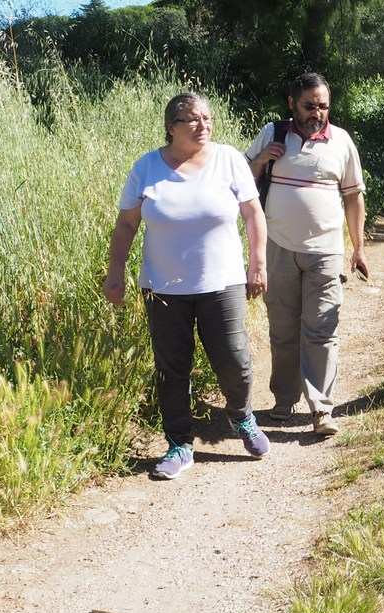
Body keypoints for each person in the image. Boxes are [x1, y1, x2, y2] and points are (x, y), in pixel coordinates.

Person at [103, 92, 270, 479]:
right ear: (171, 127)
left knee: (234, 358)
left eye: (207, 118)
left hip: (222, 281)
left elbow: (253, 213)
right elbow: (127, 224)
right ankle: (179, 444)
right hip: (163, 288)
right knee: (172, 368)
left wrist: (257, 264)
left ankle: (242, 417)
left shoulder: (229, 159)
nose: (203, 125)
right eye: (192, 119)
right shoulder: (146, 168)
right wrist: (116, 272)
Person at [246, 73, 368, 438]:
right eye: (310, 106)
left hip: (326, 252)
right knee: (283, 332)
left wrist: (358, 246)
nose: (317, 113)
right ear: (292, 104)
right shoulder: (272, 134)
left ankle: (321, 409)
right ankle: (283, 401)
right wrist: (261, 160)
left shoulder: (341, 141)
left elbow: (353, 196)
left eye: (324, 106)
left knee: (322, 330)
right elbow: (241, 184)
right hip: (278, 247)